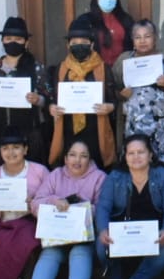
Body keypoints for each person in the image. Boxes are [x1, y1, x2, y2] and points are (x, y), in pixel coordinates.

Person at [25, 139, 107, 279]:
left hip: (83, 237)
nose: (77, 160)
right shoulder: (55, 175)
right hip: (57, 236)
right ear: (65, 158)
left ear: (90, 159)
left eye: (83, 156)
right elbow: (36, 204)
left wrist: (79, 208)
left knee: (79, 253)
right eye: (72, 155)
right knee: (50, 254)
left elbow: (102, 208)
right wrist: (54, 201)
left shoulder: (100, 177)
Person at [96, 133, 164, 279]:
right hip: (121, 235)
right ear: (125, 157)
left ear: (150, 155)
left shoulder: (163, 176)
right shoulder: (115, 177)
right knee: (101, 245)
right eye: (131, 153)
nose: (136, 157)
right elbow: (103, 206)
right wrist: (103, 230)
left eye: (141, 152)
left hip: (152, 236)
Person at [0, 127, 49, 279]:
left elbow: (50, 201)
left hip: (32, 222)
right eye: (5, 148)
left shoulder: (39, 171)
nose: (10, 152)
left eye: (16, 147)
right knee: (2, 242)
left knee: (27, 239)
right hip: (5, 225)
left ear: (25, 149)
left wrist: (33, 204)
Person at [0, 16, 51, 171]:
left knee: (30, 177)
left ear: (26, 42)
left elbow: (48, 98)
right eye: (8, 38)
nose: (12, 42)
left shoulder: (36, 67)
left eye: (18, 39)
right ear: (3, 41)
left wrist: (38, 99)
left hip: (28, 135)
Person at [48, 15, 117, 171]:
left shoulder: (102, 68)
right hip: (68, 128)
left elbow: (113, 99)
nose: (79, 46)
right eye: (74, 43)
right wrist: (52, 107)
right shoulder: (61, 69)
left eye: (84, 43)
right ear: (68, 45)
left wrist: (109, 107)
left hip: (95, 129)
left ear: (92, 45)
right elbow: (52, 98)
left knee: (96, 169)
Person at [113, 19, 164, 166]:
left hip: (162, 126)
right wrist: (122, 94)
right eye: (138, 37)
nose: (143, 41)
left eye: (147, 36)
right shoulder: (123, 60)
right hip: (133, 126)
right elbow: (112, 89)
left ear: (155, 37)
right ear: (132, 40)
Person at [80, 0, 135, 68]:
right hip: (94, 70)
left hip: (122, 70)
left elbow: (133, 46)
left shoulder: (126, 20)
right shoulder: (85, 20)